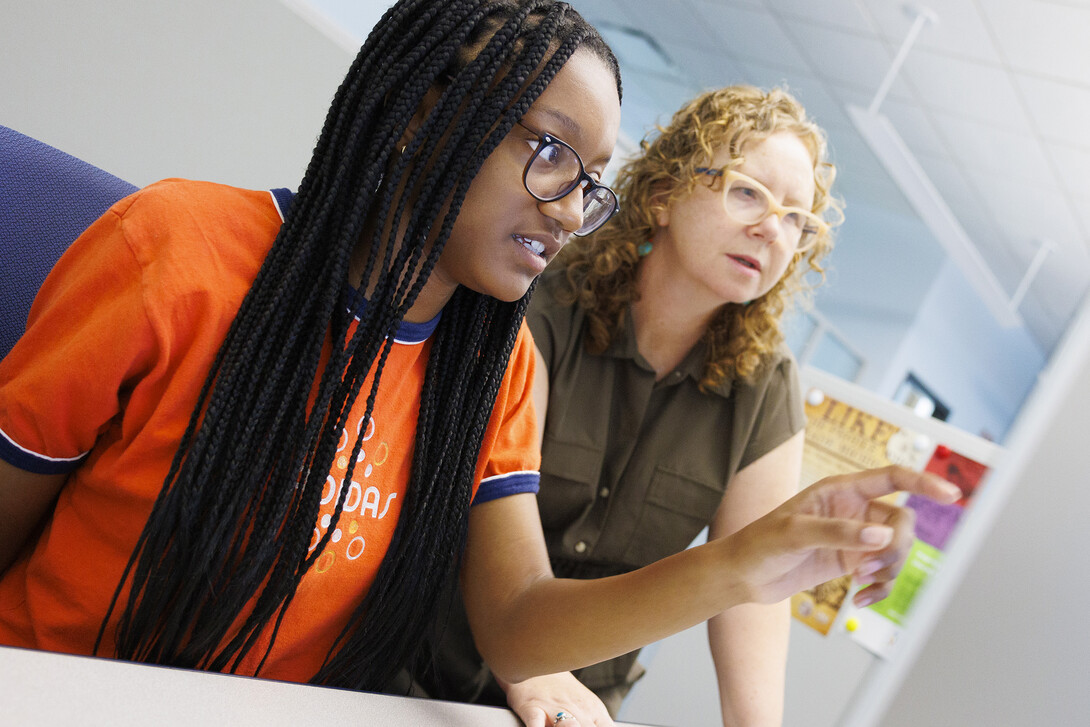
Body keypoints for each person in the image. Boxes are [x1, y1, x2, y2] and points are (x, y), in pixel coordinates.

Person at [0, 2, 959, 724]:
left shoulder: (492, 372)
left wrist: (748, 562)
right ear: (428, 114)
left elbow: (517, 625)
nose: (568, 206)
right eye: (552, 152)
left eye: (588, 183)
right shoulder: (176, 251)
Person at [413, 85, 867, 726]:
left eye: (797, 218)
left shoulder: (767, 387)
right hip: (418, 667)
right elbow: (484, 498)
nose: (773, 228)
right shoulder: (542, 305)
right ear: (663, 195)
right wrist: (537, 665)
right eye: (748, 192)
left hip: (581, 704)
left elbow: (753, 587)